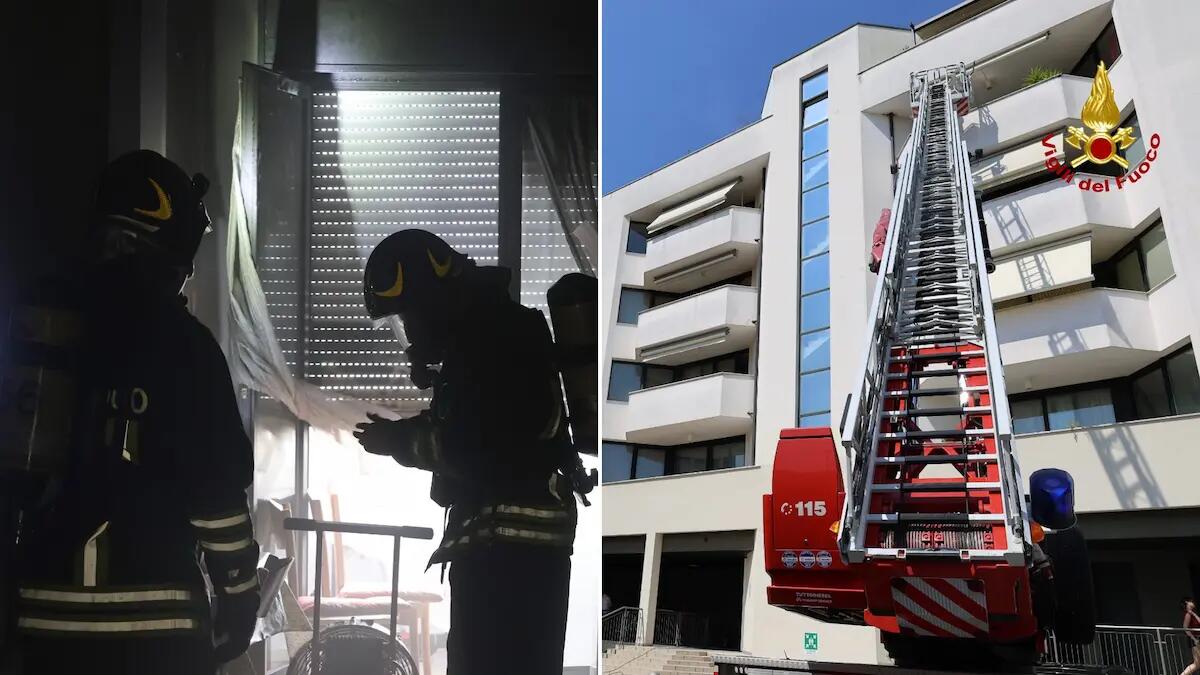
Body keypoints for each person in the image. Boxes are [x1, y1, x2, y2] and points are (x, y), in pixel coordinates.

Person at [12, 150, 260, 674]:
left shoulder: (41, 328)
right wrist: (239, 595)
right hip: (156, 632)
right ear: (172, 255)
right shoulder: (184, 345)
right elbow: (215, 495)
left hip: (40, 625)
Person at [354, 229, 577, 675]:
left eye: (408, 316)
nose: (410, 332)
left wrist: (398, 441)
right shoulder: (491, 336)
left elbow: (473, 444)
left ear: (434, 300)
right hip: (509, 553)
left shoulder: (493, 339)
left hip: (508, 558)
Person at [1182, 597, 1200, 675]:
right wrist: (1194, 639)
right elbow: (1185, 628)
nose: (1193, 603)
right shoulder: (1188, 614)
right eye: (1191, 601)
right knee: (1197, 664)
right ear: (1187, 602)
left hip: (1197, 639)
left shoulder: (1191, 613)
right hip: (1195, 639)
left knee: (1197, 664)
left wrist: (1193, 613)